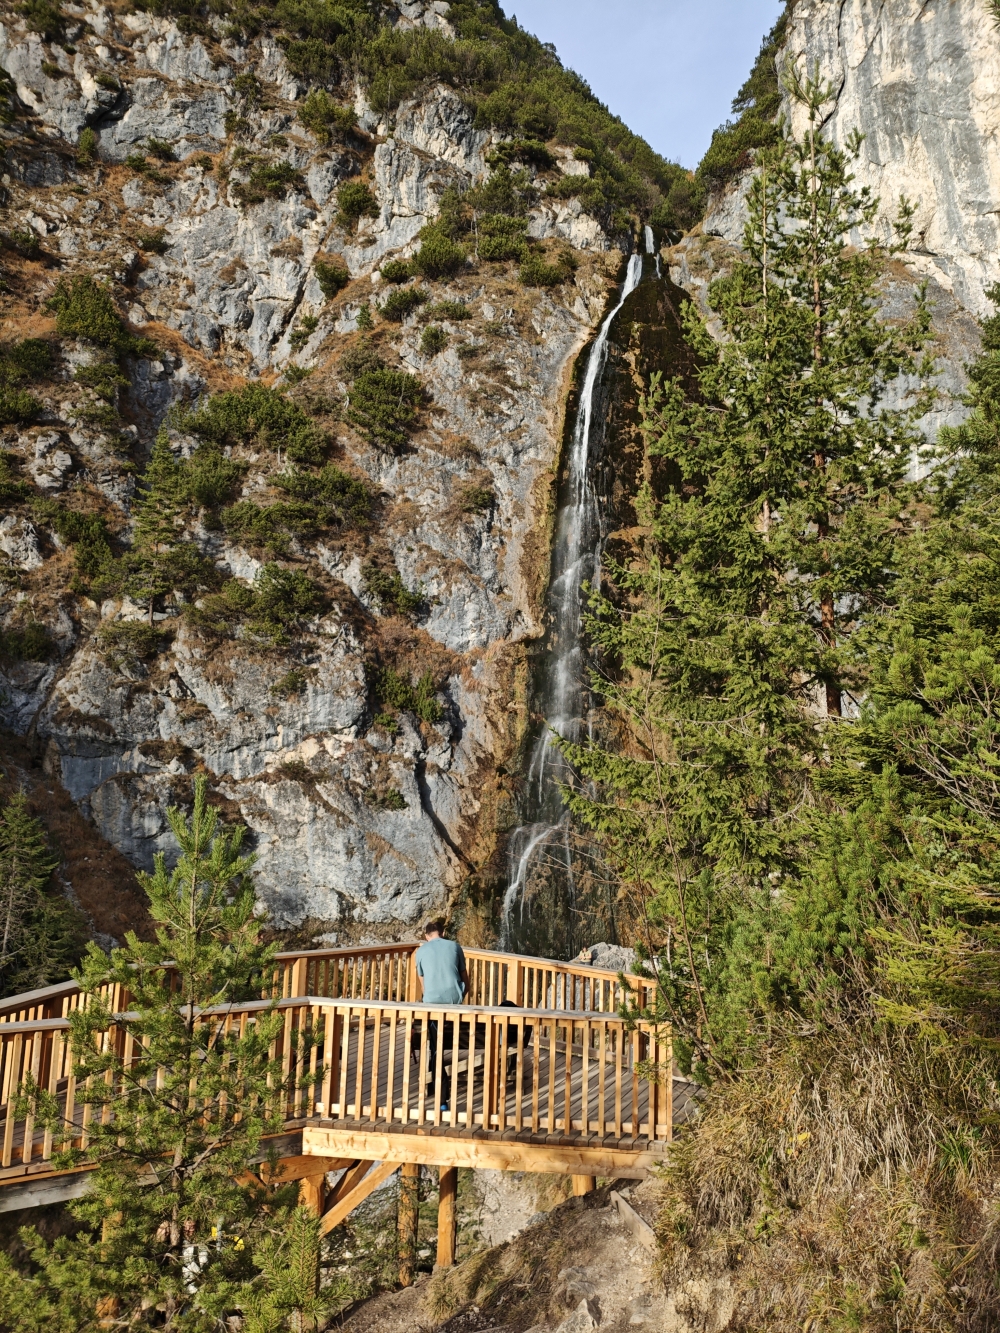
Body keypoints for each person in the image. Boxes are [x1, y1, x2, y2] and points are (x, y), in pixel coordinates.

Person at [414, 918, 468, 1110]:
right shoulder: (455, 946)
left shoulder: (420, 951)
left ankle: (442, 1100)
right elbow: (464, 978)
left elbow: (423, 984)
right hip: (455, 1005)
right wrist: (459, 997)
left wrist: (428, 998)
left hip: (433, 1007)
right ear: (442, 933)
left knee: (436, 1050)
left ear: (426, 936)